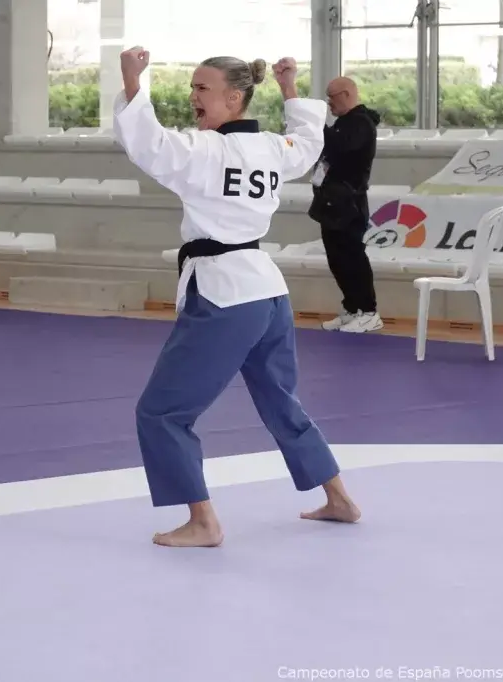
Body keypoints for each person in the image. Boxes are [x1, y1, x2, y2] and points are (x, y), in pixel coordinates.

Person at [112, 47, 361, 548]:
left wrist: (133, 81)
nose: (192, 97)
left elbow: (147, 143)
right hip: (267, 293)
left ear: (233, 98)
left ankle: (203, 521)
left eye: (201, 89)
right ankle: (339, 498)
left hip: (224, 296)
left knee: (162, 413)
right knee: (280, 401)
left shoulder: (205, 152)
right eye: (192, 88)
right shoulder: (271, 148)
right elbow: (309, 143)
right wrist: (291, 90)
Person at [309, 76, 384, 333]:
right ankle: (352, 308)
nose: (328, 102)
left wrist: (315, 123)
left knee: (353, 258)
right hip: (332, 203)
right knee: (337, 259)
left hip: (349, 204)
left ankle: (368, 310)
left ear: (347, 94)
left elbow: (340, 146)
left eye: (332, 96)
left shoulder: (361, 124)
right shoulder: (344, 123)